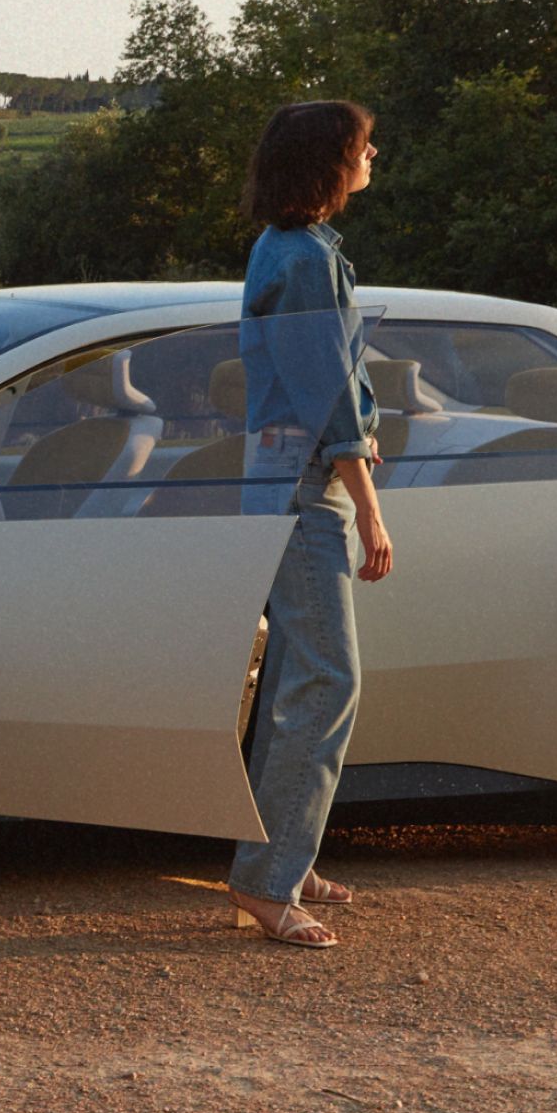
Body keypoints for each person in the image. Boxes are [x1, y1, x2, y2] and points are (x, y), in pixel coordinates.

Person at [229, 100, 392, 950]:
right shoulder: (301, 262)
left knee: (301, 680)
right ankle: (268, 879)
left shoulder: (288, 251)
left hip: (289, 483)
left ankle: (287, 859)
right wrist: (368, 509)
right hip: (306, 491)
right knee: (327, 680)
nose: (374, 157)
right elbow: (326, 390)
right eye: (363, 148)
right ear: (328, 163)